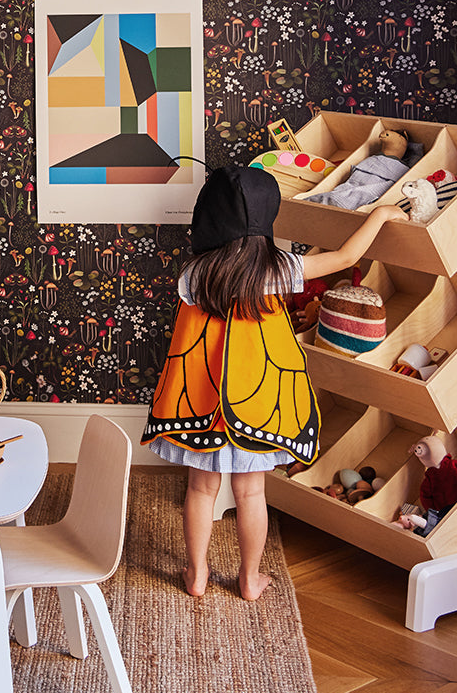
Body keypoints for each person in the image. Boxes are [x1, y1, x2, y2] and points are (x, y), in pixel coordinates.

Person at [142, 164, 407, 601]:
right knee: (250, 494)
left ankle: (197, 574)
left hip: (202, 405)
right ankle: (248, 579)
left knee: (200, 489)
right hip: (258, 404)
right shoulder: (278, 268)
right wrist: (378, 215)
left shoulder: (194, 274)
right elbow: (344, 259)